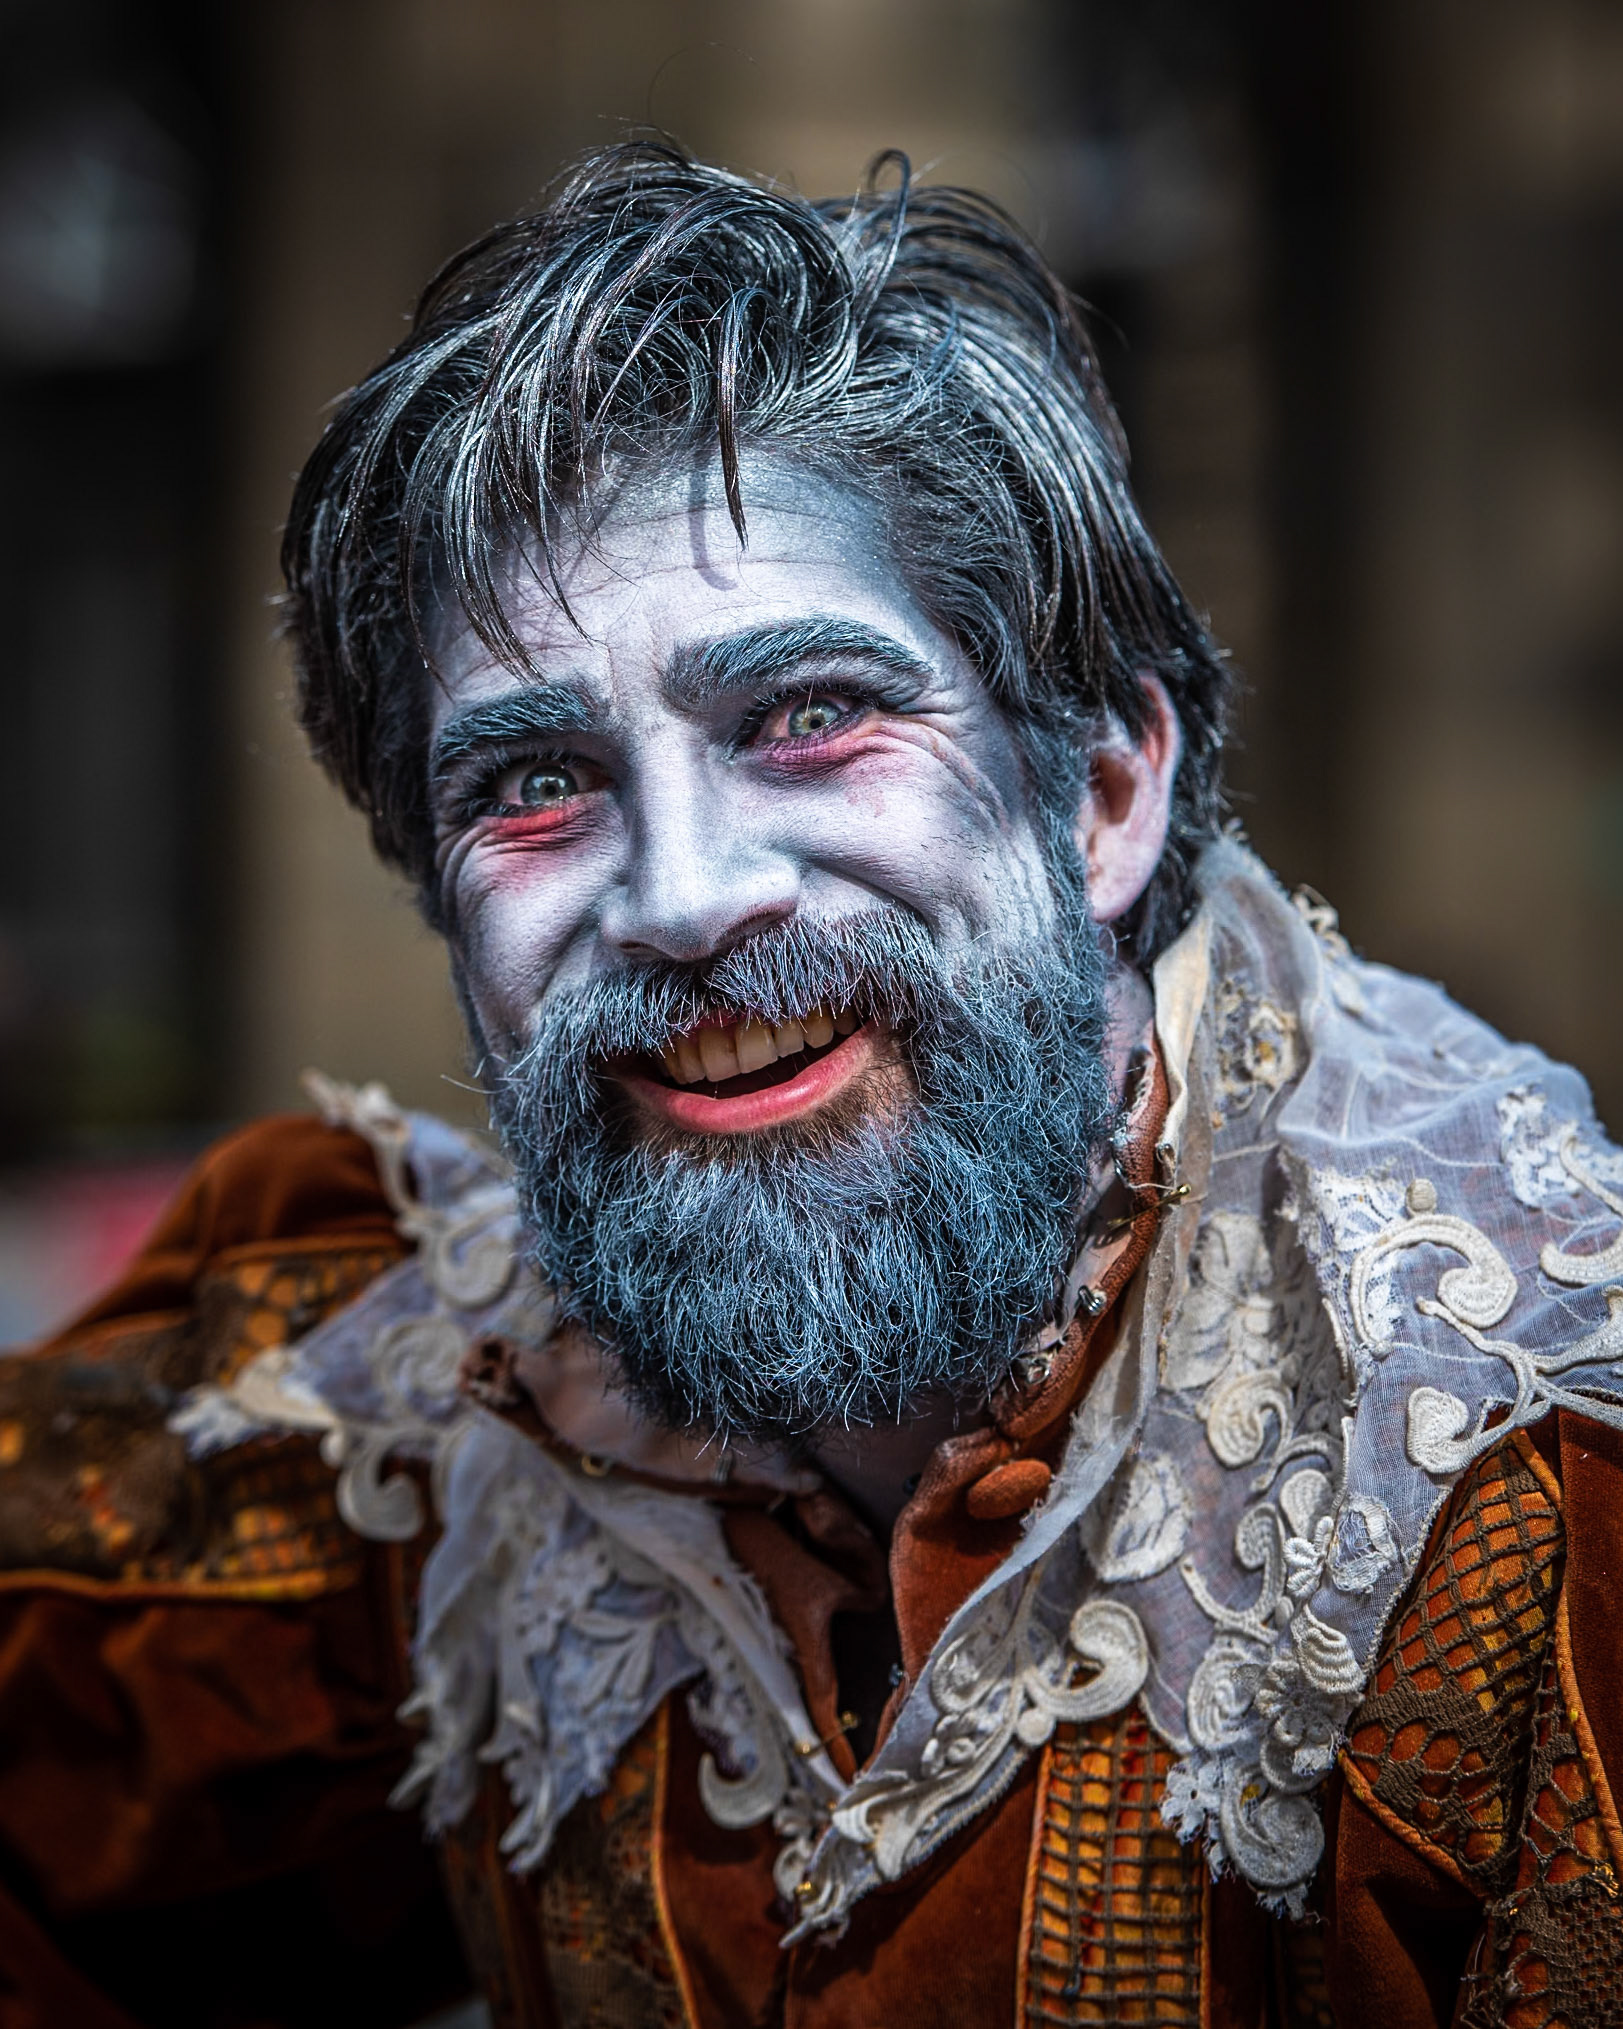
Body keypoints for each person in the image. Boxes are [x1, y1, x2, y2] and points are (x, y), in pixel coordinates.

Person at [3, 140, 1621, 2029]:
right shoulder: (408, 1398)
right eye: (530, 786)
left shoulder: (1529, 1493)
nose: (686, 899)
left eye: (809, 716)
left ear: (1101, 795)